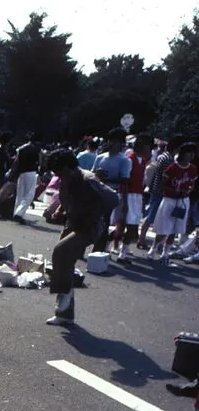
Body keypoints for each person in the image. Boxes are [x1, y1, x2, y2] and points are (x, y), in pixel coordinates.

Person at [45, 149, 116, 326]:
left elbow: (114, 199)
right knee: (64, 263)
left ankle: (65, 295)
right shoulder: (66, 179)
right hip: (72, 223)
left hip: (88, 226)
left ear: (70, 168)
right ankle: (65, 315)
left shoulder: (88, 179)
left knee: (60, 251)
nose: (60, 177)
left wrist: (94, 216)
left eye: (61, 173)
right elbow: (65, 199)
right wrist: (60, 211)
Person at [149, 142, 198, 262]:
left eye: (193, 153)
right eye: (189, 152)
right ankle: (153, 249)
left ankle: (165, 253)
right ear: (182, 153)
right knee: (164, 227)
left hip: (183, 201)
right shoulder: (173, 167)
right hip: (169, 200)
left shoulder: (193, 168)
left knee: (176, 229)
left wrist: (189, 190)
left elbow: (192, 184)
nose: (191, 155)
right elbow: (163, 185)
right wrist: (174, 190)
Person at [138, 134, 184, 248]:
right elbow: (165, 178)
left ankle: (144, 239)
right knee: (152, 215)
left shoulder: (164, 156)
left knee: (154, 215)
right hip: (160, 191)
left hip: (157, 190)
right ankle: (142, 239)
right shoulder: (168, 159)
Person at [92, 127, 132, 252]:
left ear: (121, 143)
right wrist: (97, 175)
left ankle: (99, 250)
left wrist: (125, 203)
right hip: (97, 191)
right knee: (91, 220)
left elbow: (124, 181)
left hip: (112, 193)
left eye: (115, 141)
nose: (111, 143)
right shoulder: (100, 157)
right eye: (110, 141)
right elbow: (92, 174)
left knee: (104, 223)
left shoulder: (124, 160)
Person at [116, 135, 152, 261]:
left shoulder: (143, 161)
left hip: (137, 196)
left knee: (132, 227)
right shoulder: (130, 160)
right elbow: (124, 182)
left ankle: (121, 250)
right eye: (147, 147)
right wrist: (125, 202)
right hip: (128, 195)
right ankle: (121, 253)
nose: (149, 150)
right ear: (141, 146)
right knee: (129, 227)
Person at [12, 132, 42, 224]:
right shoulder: (37, 149)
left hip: (21, 172)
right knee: (30, 194)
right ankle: (19, 214)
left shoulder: (21, 148)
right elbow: (40, 162)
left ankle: (16, 212)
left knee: (20, 194)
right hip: (31, 172)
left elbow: (16, 161)